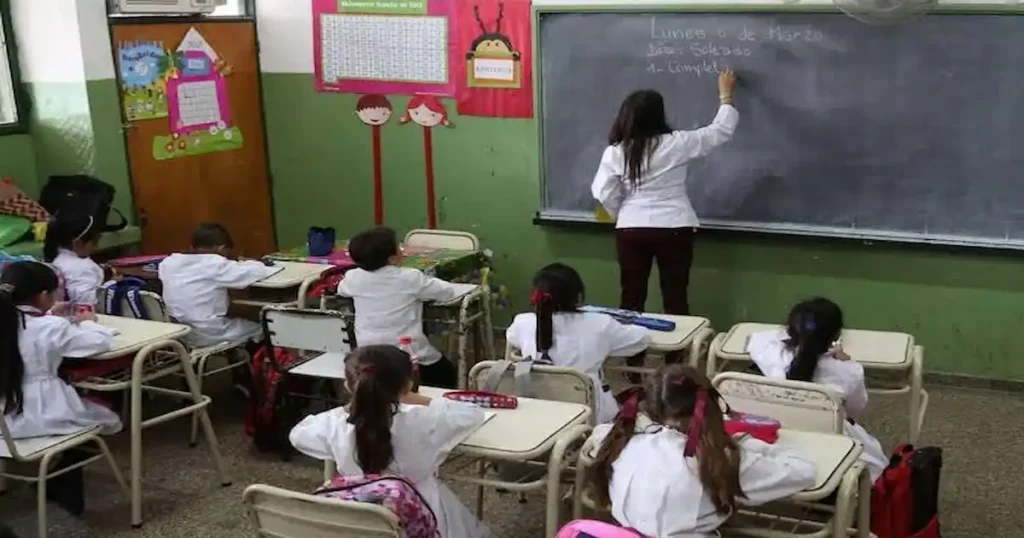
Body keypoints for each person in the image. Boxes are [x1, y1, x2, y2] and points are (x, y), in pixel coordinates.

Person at [586, 364, 816, 537]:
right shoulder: (720, 459)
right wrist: (747, 442)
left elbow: (600, 432)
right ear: (711, 406)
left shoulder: (621, 440)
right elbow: (803, 470)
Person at [289, 345, 495, 538]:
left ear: (348, 385)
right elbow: (472, 414)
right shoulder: (425, 421)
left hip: (356, 518)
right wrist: (422, 399)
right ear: (407, 385)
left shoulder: (334, 424)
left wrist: (350, 408)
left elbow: (298, 435)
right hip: (419, 512)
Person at [591, 68, 739, 317]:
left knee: (631, 296)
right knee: (676, 296)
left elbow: (603, 191)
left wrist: (622, 213)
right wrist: (726, 96)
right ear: (659, 115)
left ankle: (631, 343)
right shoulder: (677, 143)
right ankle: (679, 343)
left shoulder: (616, 152)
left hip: (631, 228)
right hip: (675, 225)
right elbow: (719, 131)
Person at [0, 261, 122, 515]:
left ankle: (60, 480)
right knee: (107, 418)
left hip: (5, 420)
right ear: (43, 296)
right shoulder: (50, 327)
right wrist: (87, 322)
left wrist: (49, 315)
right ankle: (62, 479)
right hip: (42, 413)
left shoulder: (13, 322)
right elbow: (97, 343)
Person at [747, 297, 888, 481]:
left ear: (790, 331)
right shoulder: (849, 371)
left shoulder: (769, 354)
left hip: (778, 435)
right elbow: (856, 409)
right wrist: (845, 359)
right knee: (876, 460)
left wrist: (800, 336)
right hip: (829, 438)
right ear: (836, 336)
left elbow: (759, 338)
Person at [506, 263, 649, 423]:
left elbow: (512, 337)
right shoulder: (600, 324)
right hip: (591, 416)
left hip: (540, 413)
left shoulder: (523, 322)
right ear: (578, 297)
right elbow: (641, 339)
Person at [338, 227, 469, 388]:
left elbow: (341, 289)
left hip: (367, 353)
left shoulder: (353, 277)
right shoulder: (410, 277)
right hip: (408, 353)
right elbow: (447, 292)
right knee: (446, 372)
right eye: (399, 247)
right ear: (392, 259)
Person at [158, 223, 279, 348]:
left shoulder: (168, 263)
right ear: (221, 248)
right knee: (262, 329)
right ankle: (259, 359)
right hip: (207, 333)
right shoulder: (215, 264)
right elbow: (258, 271)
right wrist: (246, 261)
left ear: (192, 246)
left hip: (178, 332)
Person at [44, 212, 114, 308]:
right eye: (95, 241)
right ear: (78, 243)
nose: (96, 245)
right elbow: (86, 302)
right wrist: (112, 284)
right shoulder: (80, 268)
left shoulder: (60, 259)